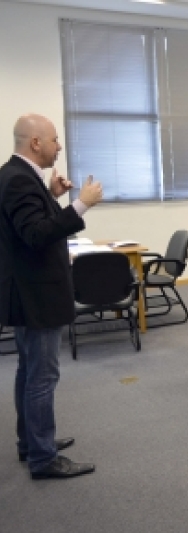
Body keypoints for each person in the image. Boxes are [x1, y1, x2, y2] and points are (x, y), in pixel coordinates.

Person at [0, 114, 103, 479]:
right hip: (36, 295)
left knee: (29, 373)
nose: (59, 146)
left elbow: (31, 224)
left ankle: (32, 443)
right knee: (41, 377)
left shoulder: (19, 176)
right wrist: (80, 205)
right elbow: (36, 235)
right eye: (55, 140)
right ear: (36, 143)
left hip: (29, 293)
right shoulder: (18, 180)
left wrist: (52, 197)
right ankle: (43, 458)